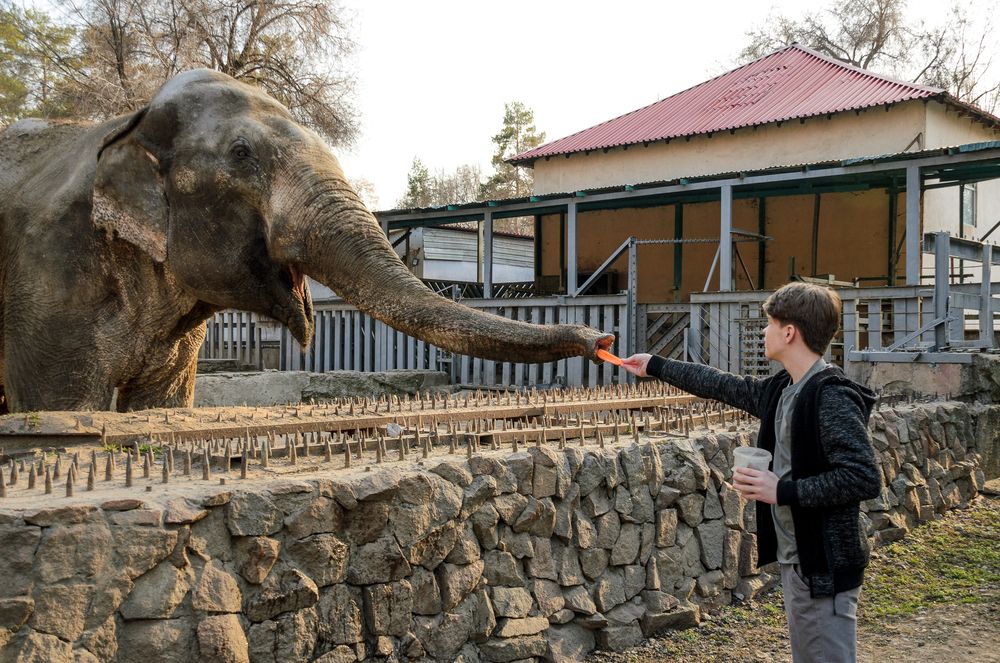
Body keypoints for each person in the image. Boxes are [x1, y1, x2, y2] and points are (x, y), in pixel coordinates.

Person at [621, 281, 881, 663]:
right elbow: (724, 385)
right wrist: (656, 366)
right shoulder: (783, 388)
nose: (764, 330)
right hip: (799, 562)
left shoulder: (830, 396)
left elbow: (863, 476)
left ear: (789, 332)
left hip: (823, 566)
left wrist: (783, 490)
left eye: (770, 323)